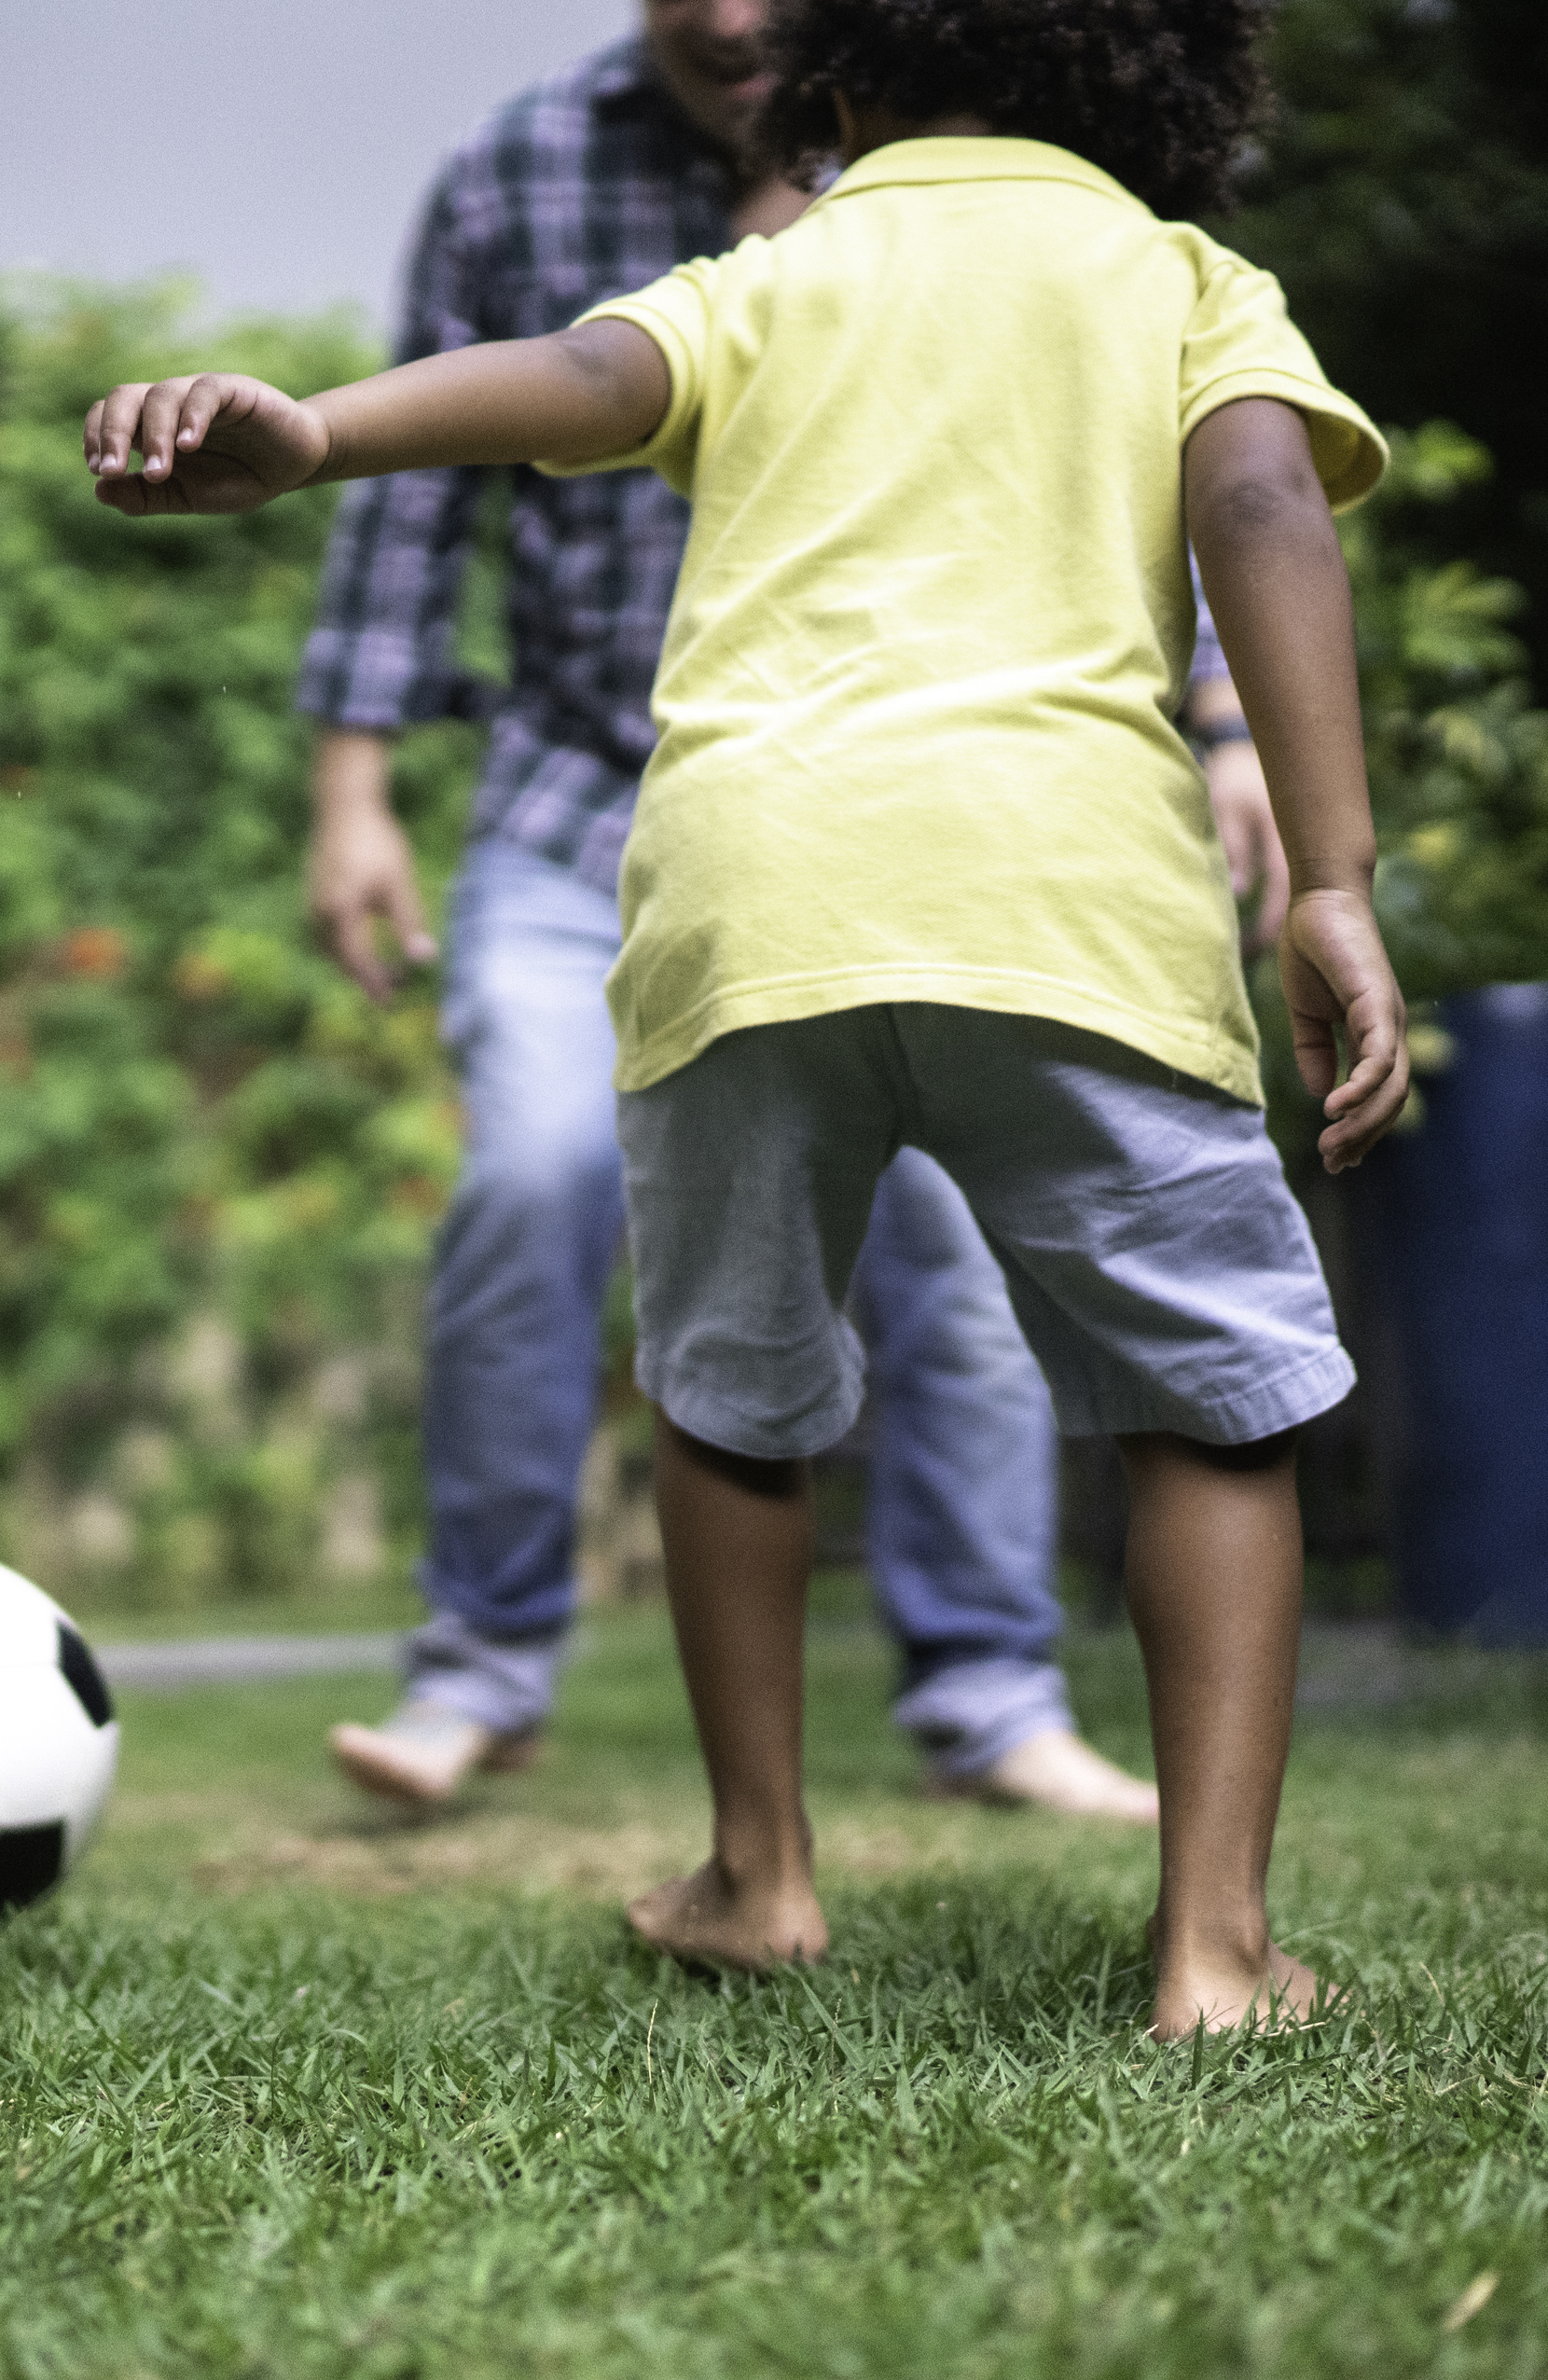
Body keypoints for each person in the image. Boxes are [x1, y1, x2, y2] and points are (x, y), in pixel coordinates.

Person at [82, 0, 1409, 2034]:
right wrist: (1327, 876)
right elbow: (1262, 514)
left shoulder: (780, 272)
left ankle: (757, 1869)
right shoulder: (1183, 280)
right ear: (1161, 85)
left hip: (747, 895)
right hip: (1060, 903)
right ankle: (1215, 1951)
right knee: (1207, 1403)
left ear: (843, 78)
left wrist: (326, 427)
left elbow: (588, 381)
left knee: (733, 1396)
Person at [295, 0, 1215, 1822]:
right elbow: (425, 512)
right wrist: (351, 786)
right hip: (584, 801)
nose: (727, 12)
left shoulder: (984, 172)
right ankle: (480, 1665)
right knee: (537, 1174)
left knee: (946, 1234)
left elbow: (1140, 445)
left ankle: (989, 1685)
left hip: (895, 812)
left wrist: (1238, 734)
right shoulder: (524, 166)